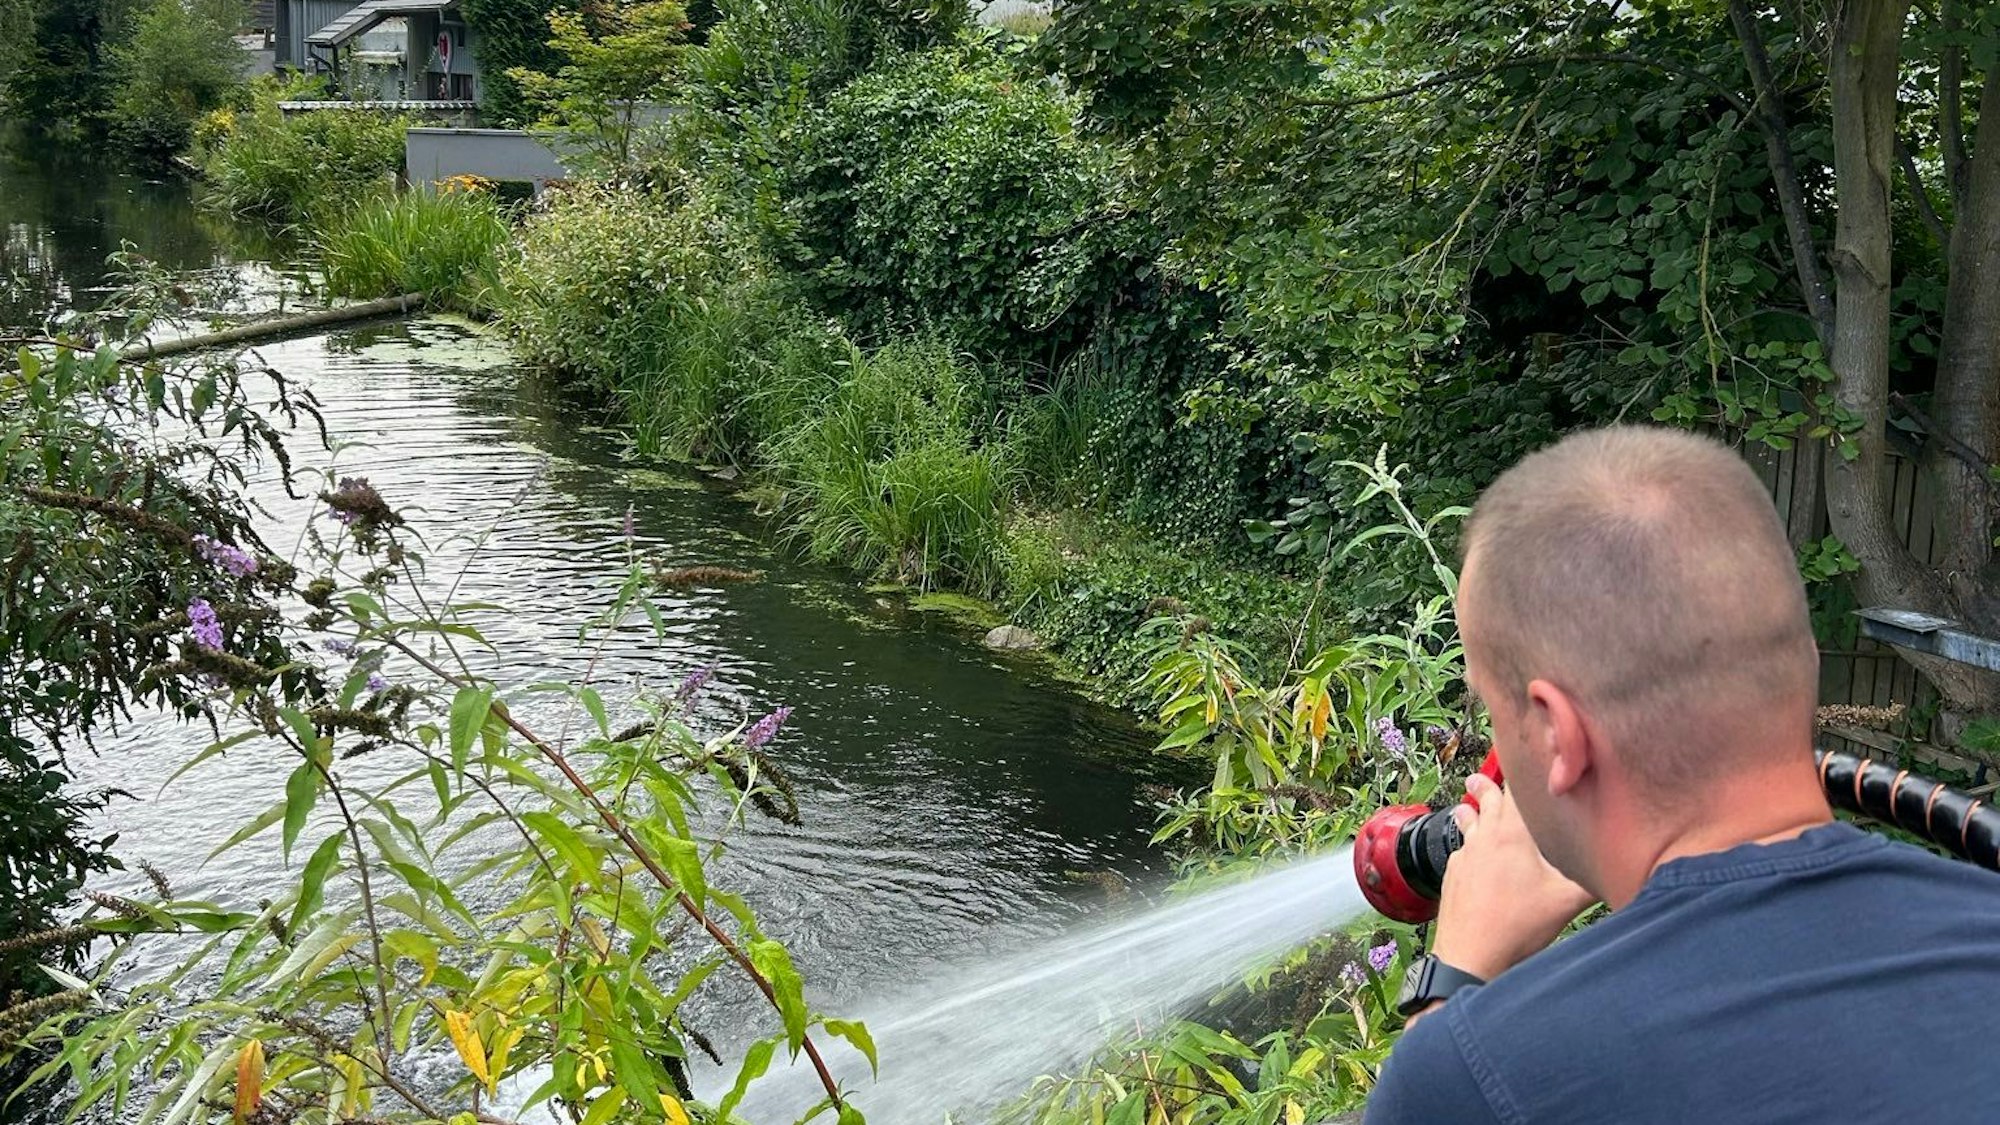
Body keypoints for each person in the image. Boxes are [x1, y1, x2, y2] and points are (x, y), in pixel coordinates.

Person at [1364, 426, 2000, 1124]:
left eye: (1494, 709)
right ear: (1803, 662)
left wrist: (1453, 990)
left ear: (1556, 734)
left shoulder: (1481, 1075)